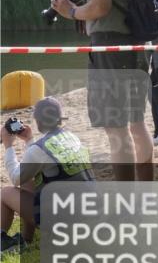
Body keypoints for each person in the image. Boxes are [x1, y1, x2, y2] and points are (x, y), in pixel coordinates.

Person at [52, 0, 153, 182]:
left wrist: (69, 10)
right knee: (136, 123)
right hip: (137, 41)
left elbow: (100, 6)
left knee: (116, 127)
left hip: (110, 42)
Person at [2, 98, 94, 252]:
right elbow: (38, 162)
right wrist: (29, 140)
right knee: (28, 181)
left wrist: (8, 146)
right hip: (88, 214)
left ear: (37, 121)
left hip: (64, 224)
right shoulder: (72, 137)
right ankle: (25, 239)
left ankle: (3, 242)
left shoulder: (39, 149)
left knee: (5, 194)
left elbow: (15, 177)